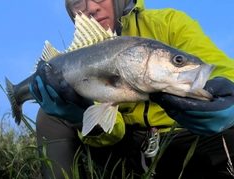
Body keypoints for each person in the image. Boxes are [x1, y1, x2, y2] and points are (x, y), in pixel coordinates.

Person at [30, 0, 234, 178]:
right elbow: (112, 130)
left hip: (186, 139)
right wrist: (80, 117)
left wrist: (229, 97)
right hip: (124, 149)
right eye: (77, 3)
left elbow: (221, 68)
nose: (91, 7)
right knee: (50, 116)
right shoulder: (82, 56)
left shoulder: (169, 23)